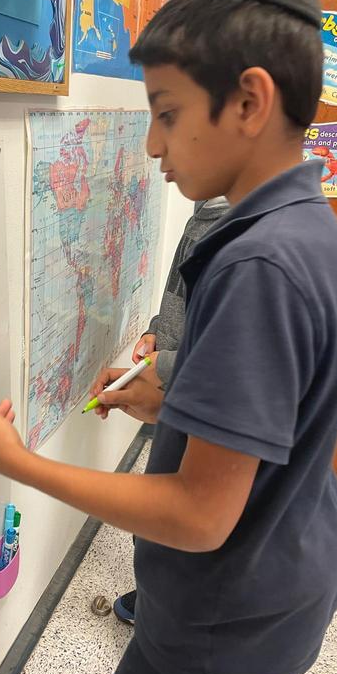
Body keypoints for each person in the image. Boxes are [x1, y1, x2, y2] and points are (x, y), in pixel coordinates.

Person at [0, 0, 337, 674]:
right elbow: (281, 401)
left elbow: (199, 516)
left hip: (218, 616)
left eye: (166, 113)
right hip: (275, 591)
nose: (155, 149)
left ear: (249, 101)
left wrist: (16, 462)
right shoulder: (304, 226)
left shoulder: (260, 263)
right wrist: (180, 382)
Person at [110, 197, 230, 626]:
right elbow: (180, 293)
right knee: (159, 512)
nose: (157, 149)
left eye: (171, 128)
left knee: (171, 518)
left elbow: (235, 361)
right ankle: (156, 597)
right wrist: (157, 334)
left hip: (201, 412)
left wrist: (17, 463)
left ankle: (167, 610)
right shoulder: (207, 211)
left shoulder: (251, 243)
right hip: (180, 399)